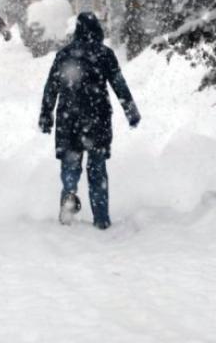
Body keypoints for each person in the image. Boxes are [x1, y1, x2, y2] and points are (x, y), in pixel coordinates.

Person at [38, 12, 140, 229]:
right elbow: (118, 84)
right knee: (97, 170)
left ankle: (69, 196)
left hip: (69, 118)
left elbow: (51, 88)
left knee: (71, 165)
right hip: (97, 118)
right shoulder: (104, 54)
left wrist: (46, 115)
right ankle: (101, 218)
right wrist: (131, 111)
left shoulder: (65, 55)